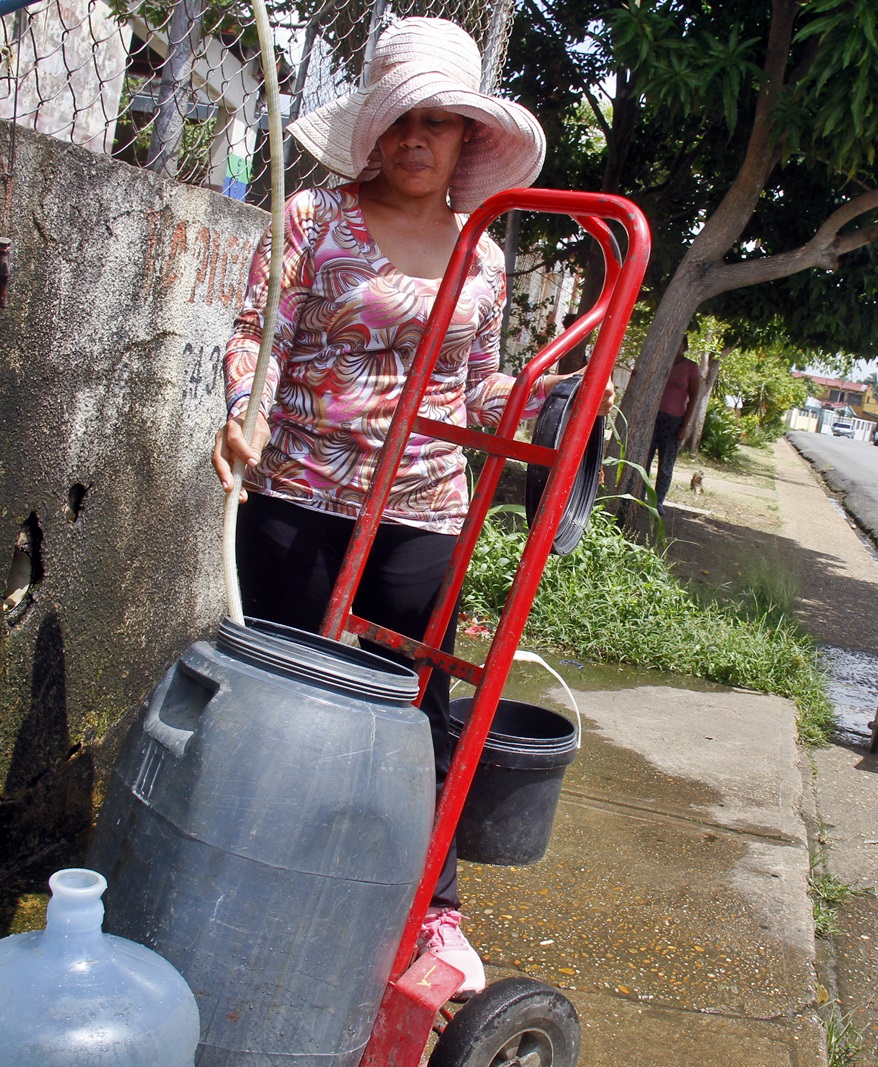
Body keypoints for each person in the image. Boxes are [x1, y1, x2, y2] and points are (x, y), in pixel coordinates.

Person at [209, 17, 605, 998]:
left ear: (466, 140)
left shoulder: (482, 254)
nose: (418, 140)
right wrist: (240, 416)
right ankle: (264, 878)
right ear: (375, 133)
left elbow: (469, 393)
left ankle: (431, 907)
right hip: (302, 491)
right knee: (287, 696)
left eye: (439, 122)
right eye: (402, 122)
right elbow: (258, 335)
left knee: (412, 709)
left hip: (423, 508)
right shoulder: (312, 220)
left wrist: (533, 403)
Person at [646, 346, 702, 507]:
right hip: (653, 418)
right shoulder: (662, 362)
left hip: (674, 422)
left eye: (679, 343)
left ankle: (658, 502)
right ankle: (639, 495)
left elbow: (694, 398)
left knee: (666, 465)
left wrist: (685, 425)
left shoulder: (691, 367)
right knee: (645, 461)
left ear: (684, 347)